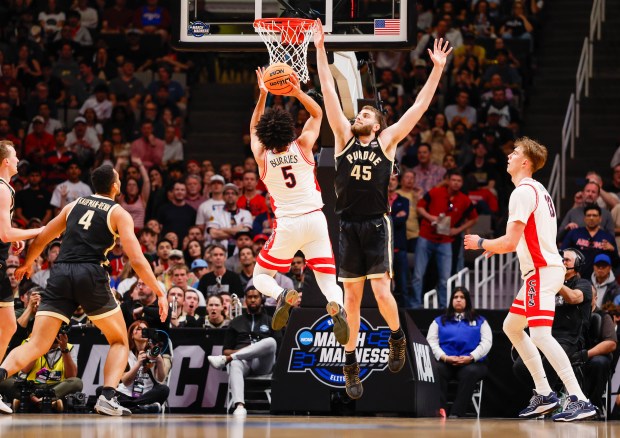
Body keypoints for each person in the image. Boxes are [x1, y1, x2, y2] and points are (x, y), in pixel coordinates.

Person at [316, 19, 452, 399]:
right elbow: (328, 91)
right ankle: (350, 365)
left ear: (377, 126)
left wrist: (437, 69)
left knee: (381, 291)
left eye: (365, 116)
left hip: (377, 224)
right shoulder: (343, 136)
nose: (359, 116)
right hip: (347, 226)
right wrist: (319, 50)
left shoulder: (387, 142)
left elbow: (418, 108)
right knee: (352, 302)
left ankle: (396, 338)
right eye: (358, 114)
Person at [8, 164, 168, 417]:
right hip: (90, 274)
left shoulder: (73, 206)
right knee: (118, 341)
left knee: (37, 343)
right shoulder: (119, 212)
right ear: (115, 185)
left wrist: (27, 263)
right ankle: (107, 397)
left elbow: (44, 237)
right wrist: (159, 291)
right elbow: (136, 259)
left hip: (60, 272)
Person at [464, 138, 597, 421]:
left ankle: (579, 398)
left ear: (525, 162)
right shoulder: (539, 190)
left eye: (514, 152)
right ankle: (544, 392)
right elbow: (525, 236)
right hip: (543, 269)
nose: (509, 156)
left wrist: (482, 243)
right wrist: (496, 245)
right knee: (512, 326)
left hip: (539, 271)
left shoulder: (522, 191)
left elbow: (511, 242)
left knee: (539, 335)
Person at [249, 64, 349, 346]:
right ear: (288, 130)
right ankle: (335, 307)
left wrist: (262, 95)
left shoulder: (262, 158)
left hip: (288, 224)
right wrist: (296, 90)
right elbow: (318, 113)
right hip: (316, 220)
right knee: (328, 278)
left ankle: (281, 295)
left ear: (265, 136)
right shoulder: (303, 145)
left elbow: (254, 125)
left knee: (260, 276)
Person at [0, 141, 44, 412]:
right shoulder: (3, 189)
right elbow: (4, 233)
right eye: (15, 156)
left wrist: (13, 237)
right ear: (5, 161)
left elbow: (4, 232)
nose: (18, 159)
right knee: (7, 327)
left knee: (8, 327)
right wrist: (37, 232)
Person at [206, 285, 281, 416]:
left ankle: (227, 361)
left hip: (263, 364)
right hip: (243, 362)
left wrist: (232, 355)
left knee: (271, 342)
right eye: (250, 297)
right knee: (235, 363)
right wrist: (245, 351)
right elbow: (226, 350)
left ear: (261, 299)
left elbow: (277, 348)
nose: (253, 300)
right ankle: (240, 406)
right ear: (245, 300)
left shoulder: (271, 321)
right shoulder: (235, 322)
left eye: (256, 297)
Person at [413, 169, 478, 308]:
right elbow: (419, 207)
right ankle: (415, 306)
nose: (456, 183)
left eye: (459, 181)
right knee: (418, 275)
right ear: (447, 180)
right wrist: (431, 218)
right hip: (426, 237)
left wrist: (458, 230)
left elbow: (474, 218)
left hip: (445, 242)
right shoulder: (435, 192)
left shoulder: (464, 200)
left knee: (445, 279)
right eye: (453, 180)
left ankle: (443, 308)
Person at [426, 287, 492, 418]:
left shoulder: (480, 321)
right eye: (455, 297)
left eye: (462, 297)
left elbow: (486, 343)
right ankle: (440, 411)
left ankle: (456, 413)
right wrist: (444, 357)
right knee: (436, 369)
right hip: (446, 362)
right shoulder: (439, 321)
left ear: (467, 301)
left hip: (472, 363)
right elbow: (431, 341)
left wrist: (471, 357)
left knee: (470, 372)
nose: (458, 300)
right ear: (451, 301)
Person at [0, 328, 83, 412]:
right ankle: (47, 401)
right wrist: (39, 347)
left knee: (77, 382)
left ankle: (28, 400)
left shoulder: (68, 347)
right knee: (5, 380)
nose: (55, 339)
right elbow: (24, 369)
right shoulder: (28, 343)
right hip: (30, 386)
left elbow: (71, 376)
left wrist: (64, 350)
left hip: (55, 388)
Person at [112, 320, 170, 413]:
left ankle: (130, 408)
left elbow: (161, 379)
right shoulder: (125, 354)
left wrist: (159, 360)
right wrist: (138, 363)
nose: (142, 332)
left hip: (146, 395)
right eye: (139, 329)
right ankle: (140, 408)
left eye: (145, 330)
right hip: (125, 393)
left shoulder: (153, 351)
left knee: (164, 389)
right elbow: (126, 382)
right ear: (132, 335)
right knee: (102, 391)